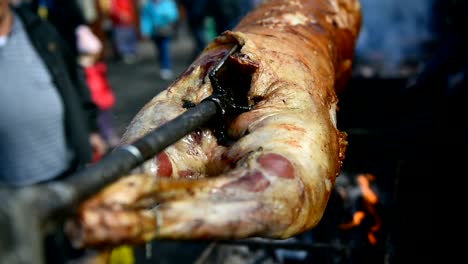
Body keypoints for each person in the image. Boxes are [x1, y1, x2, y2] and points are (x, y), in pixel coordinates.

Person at [0, 1, 107, 261]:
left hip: (65, 175)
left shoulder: (38, 27)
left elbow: (73, 74)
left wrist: (90, 128)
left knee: (76, 250)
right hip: (10, 193)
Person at [140, 0, 179, 80]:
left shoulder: (168, 3)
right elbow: (146, 19)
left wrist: (164, 17)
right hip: (155, 32)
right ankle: (163, 66)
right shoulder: (149, 5)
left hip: (165, 30)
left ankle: (166, 67)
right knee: (159, 50)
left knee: (164, 48)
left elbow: (173, 15)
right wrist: (145, 31)